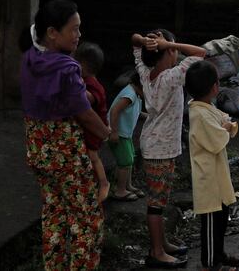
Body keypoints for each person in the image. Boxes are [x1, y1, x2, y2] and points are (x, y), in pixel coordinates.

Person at [20, 0, 111, 270]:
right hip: (64, 151)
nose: (79, 35)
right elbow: (82, 111)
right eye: (74, 29)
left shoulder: (29, 60)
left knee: (54, 215)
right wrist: (105, 131)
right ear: (52, 32)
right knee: (87, 219)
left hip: (37, 146)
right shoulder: (67, 68)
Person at [132, 29, 207, 269]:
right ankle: (156, 252)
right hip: (160, 150)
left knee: (159, 200)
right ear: (168, 52)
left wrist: (145, 41)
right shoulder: (171, 77)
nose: (177, 54)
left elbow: (134, 42)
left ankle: (161, 242)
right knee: (156, 204)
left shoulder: (146, 73)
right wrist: (166, 43)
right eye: (173, 49)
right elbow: (201, 53)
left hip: (154, 146)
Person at [186, 61, 239, 271]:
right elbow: (219, 137)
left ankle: (219, 254)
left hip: (217, 176)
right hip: (208, 179)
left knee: (221, 219)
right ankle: (210, 263)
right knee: (211, 223)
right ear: (214, 87)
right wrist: (226, 127)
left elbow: (226, 123)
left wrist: (226, 126)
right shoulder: (199, 114)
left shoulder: (206, 108)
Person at [75, 41, 111, 203]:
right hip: (95, 128)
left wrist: (78, 85)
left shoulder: (92, 85)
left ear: (82, 65)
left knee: (93, 156)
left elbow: (88, 100)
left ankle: (104, 183)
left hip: (95, 129)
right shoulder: (94, 83)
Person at [107, 72, 145, 201]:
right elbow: (115, 110)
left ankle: (127, 185)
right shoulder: (130, 95)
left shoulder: (135, 95)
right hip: (119, 133)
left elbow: (135, 111)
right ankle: (120, 190)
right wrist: (114, 131)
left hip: (125, 133)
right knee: (125, 161)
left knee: (130, 159)